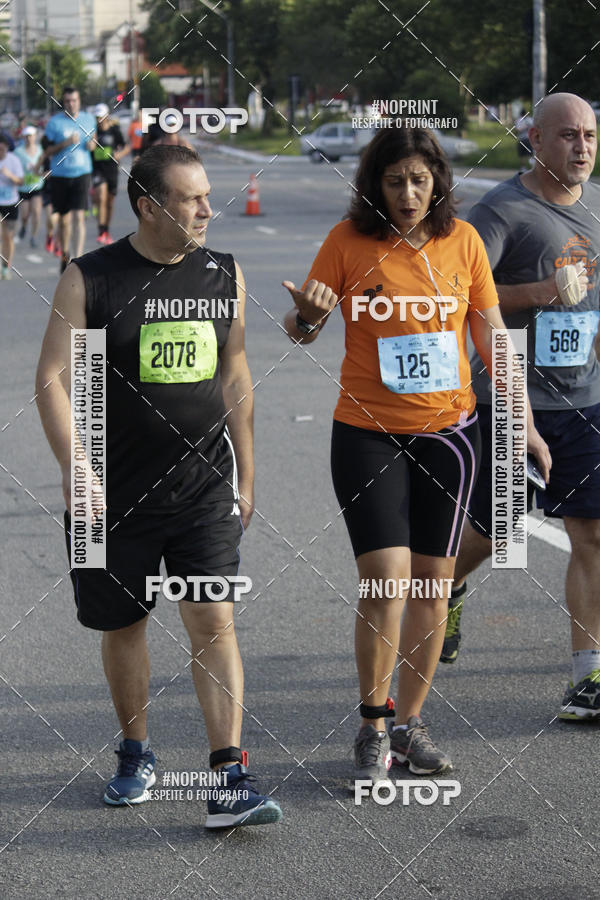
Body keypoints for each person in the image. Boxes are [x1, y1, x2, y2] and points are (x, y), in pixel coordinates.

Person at [282, 126, 550, 786]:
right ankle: (373, 723)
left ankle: (410, 725)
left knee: (433, 583)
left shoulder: (462, 243)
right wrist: (308, 316)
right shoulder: (348, 242)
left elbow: (494, 340)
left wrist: (525, 426)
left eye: (420, 181)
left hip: (449, 436)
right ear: (375, 185)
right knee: (386, 579)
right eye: (395, 181)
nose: (408, 194)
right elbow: (302, 330)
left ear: (438, 184)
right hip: (367, 433)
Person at [35, 144, 282, 828]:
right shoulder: (92, 278)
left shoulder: (222, 273)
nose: (207, 209)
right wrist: (75, 467)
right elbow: (53, 378)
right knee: (124, 625)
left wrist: (248, 472)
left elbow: (235, 372)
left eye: (207, 196)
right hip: (110, 497)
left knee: (212, 617)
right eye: (191, 199)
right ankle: (136, 751)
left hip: (203, 487)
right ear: (148, 207)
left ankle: (228, 775)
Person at [440, 94, 600, 721]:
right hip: (512, 398)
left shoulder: (595, 207)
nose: (581, 147)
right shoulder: (501, 210)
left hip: (584, 399)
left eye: (590, 136)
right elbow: (457, 293)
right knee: (498, 529)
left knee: (592, 533)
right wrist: (538, 291)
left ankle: (588, 677)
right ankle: (449, 584)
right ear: (535, 140)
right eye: (568, 135)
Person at [44, 86, 96, 273]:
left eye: (74, 100)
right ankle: (65, 254)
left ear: (79, 101)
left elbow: (93, 141)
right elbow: (47, 150)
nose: (71, 104)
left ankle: (78, 260)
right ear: (63, 103)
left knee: (79, 217)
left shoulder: (89, 119)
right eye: (67, 101)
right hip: (60, 175)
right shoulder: (54, 123)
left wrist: (91, 145)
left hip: (82, 173)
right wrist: (65, 143)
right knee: (64, 221)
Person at [91, 103, 129, 244]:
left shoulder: (114, 130)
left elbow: (125, 146)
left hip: (112, 170)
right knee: (101, 197)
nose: (99, 120)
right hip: (97, 169)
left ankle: (106, 230)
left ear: (107, 116)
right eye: (97, 117)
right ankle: (101, 231)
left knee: (109, 202)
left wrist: (119, 154)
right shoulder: (93, 131)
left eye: (101, 117)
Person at [14, 125, 45, 248]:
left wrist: (43, 172)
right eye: (26, 136)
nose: (29, 139)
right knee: (25, 215)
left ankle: (33, 236)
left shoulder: (41, 150)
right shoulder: (18, 152)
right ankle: (24, 226)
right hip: (23, 189)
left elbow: (46, 165)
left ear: (35, 136)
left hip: (37, 187)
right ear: (23, 137)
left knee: (36, 212)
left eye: (31, 136)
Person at [0, 131, 24, 279]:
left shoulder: (13, 160)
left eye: (2, 149)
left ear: (7, 148)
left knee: (8, 237)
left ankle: (5, 267)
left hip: (11, 202)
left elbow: (21, 181)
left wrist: (9, 175)